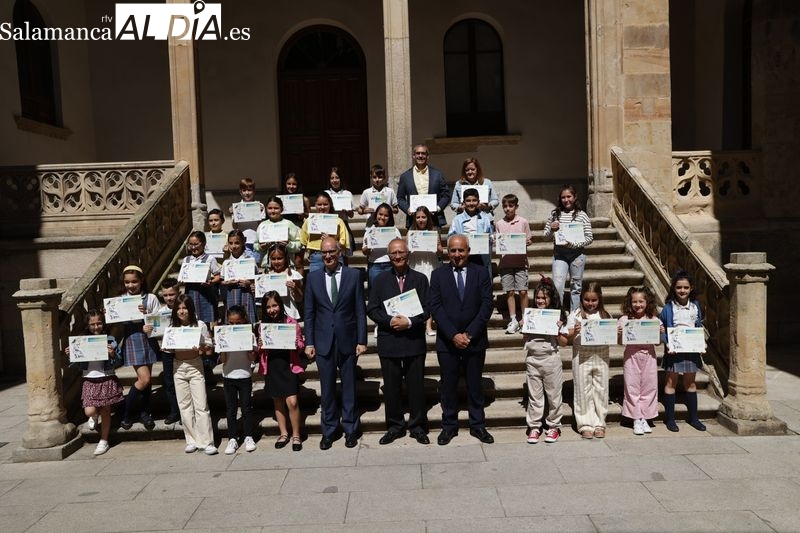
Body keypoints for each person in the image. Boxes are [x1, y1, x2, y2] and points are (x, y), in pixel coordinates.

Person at [429, 234, 494, 445]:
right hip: (448, 342)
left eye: (461, 250)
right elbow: (435, 307)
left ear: (468, 250)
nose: (457, 255)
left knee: (475, 385)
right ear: (448, 252)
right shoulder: (438, 275)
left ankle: (478, 425)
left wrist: (469, 334)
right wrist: (453, 335)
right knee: (448, 386)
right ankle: (449, 426)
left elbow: (486, 306)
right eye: (453, 251)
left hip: (474, 340)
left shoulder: (481, 273)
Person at [303, 236, 367, 449]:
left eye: (332, 251)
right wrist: (309, 342)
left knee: (349, 388)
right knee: (327, 389)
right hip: (323, 341)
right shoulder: (312, 278)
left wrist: (362, 339)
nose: (328, 256)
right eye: (324, 252)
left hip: (347, 340)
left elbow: (359, 309)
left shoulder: (353, 275)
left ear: (340, 252)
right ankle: (329, 430)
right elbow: (309, 313)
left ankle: (350, 429)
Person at [366, 238, 431, 445]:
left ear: (408, 253)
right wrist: (390, 320)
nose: (397, 256)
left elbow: (428, 308)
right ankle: (395, 426)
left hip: (413, 340)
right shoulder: (380, 280)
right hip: (390, 339)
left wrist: (410, 322)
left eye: (401, 252)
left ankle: (418, 426)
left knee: (416, 387)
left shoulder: (420, 279)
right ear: (388, 255)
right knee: (392, 388)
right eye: (393, 253)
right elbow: (372, 309)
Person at [66, 310, 124, 455]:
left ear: (103, 323)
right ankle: (94, 416)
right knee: (90, 410)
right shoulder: (81, 340)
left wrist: (112, 354)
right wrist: (70, 354)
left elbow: (118, 361)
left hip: (106, 377)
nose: (96, 327)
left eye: (99, 323)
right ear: (87, 325)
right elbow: (75, 365)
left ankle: (104, 441)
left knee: (106, 411)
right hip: (90, 379)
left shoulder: (110, 339)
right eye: (92, 324)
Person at [168, 294, 217, 454]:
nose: (182, 311)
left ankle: (207, 442)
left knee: (201, 405)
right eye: (179, 308)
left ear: (191, 309)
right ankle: (191, 439)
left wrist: (201, 349)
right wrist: (167, 348)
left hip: (195, 366)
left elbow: (209, 350)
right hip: (178, 366)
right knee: (184, 405)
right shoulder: (172, 327)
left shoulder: (200, 325)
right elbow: (169, 347)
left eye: (185, 308)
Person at [659, 270, 707, 432]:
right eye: (679, 287)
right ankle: (670, 420)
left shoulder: (696, 306)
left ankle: (694, 418)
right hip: (674, 350)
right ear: (674, 288)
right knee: (671, 383)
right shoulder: (667, 308)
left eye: (686, 287)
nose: (682, 290)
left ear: (691, 288)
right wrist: (666, 343)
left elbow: (698, 326)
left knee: (690, 383)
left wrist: (701, 344)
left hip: (691, 351)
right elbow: (662, 329)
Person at [258, 291, 306, 452]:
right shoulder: (262, 326)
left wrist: (296, 343)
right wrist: (259, 344)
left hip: (288, 365)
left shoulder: (291, 322)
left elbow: (301, 345)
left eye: (275, 305)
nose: (272, 310)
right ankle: (284, 433)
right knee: (278, 400)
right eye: (269, 307)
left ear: (280, 305)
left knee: (292, 401)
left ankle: (296, 435)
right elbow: (260, 350)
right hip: (272, 366)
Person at [522, 277, 566, 444]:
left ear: (551, 298)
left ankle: (554, 426)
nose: (540, 300)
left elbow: (563, 342)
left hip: (551, 359)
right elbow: (525, 339)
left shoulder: (558, 316)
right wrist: (524, 328)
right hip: (533, 358)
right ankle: (534, 427)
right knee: (535, 396)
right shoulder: (531, 315)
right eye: (538, 298)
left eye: (544, 298)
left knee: (554, 395)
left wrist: (557, 330)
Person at [565, 281, 611, 439]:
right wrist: (574, 331)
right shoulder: (575, 315)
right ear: (581, 299)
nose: (590, 303)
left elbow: (613, 336)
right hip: (581, 356)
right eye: (587, 300)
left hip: (601, 355)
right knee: (582, 390)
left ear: (599, 299)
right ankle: (585, 424)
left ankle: (600, 423)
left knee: (601, 389)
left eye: (594, 300)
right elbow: (566, 337)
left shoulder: (605, 315)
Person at [118, 265, 160, 431]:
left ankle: (144, 413)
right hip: (133, 338)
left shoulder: (150, 298)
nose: (130, 285)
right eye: (127, 282)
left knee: (147, 381)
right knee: (145, 379)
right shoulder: (121, 298)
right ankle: (126, 412)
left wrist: (146, 314)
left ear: (141, 280)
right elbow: (117, 321)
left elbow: (158, 320)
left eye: (134, 281)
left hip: (148, 338)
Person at [618, 286, 662, 435]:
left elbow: (657, 343)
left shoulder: (653, 319)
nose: (638, 305)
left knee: (649, 386)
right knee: (632, 386)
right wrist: (619, 334)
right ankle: (636, 417)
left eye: (641, 301)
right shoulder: (624, 320)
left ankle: (646, 417)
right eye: (634, 302)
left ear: (647, 302)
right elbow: (620, 342)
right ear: (629, 303)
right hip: (631, 355)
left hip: (649, 355)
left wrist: (660, 333)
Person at [543, 185, 593, 312]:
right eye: (563, 197)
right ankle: (558, 314)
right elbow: (545, 236)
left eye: (569, 196)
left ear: (575, 197)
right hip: (560, 255)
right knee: (558, 285)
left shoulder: (582, 215)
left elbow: (589, 238)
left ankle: (574, 315)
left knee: (576, 287)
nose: (566, 200)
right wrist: (552, 230)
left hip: (577, 256)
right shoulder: (555, 214)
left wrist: (572, 244)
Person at [181, 231, 222, 384]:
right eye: (191, 244)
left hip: (206, 295)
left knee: (207, 329)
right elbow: (182, 278)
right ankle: (196, 363)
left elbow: (218, 275)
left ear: (203, 244)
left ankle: (208, 364)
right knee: (194, 328)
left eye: (196, 244)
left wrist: (211, 281)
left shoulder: (210, 258)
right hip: (191, 296)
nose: (193, 247)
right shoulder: (186, 259)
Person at [219, 305, 257, 455]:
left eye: (238, 323)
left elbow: (252, 357)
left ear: (244, 321)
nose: (234, 326)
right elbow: (223, 360)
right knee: (231, 409)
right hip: (229, 376)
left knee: (246, 408)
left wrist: (249, 346)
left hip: (244, 375)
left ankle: (248, 436)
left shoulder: (250, 335)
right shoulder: (224, 334)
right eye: (231, 323)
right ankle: (232, 438)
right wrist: (222, 347)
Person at [495, 193, 533, 334]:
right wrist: (496, 244)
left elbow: (529, 239)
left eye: (511, 206)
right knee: (510, 292)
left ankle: (524, 319)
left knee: (523, 291)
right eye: (505, 206)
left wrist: (527, 242)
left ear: (516, 206)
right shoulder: (499, 224)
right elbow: (498, 243)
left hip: (521, 262)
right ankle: (513, 319)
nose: (507, 209)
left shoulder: (523, 222)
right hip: (505, 263)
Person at [406, 206, 444, 336]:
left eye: (423, 217)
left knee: (430, 296)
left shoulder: (434, 231)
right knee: (416, 296)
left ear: (428, 218)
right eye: (418, 217)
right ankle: (416, 323)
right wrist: (409, 249)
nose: (421, 220)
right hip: (415, 264)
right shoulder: (410, 231)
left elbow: (441, 252)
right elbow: (406, 252)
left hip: (430, 264)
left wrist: (437, 246)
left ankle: (428, 325)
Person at [397, 144, 450, 228]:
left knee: (435, 242)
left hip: (434, 220)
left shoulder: (437, 174)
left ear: (427, 156)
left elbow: (446, 195)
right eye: (418, 153)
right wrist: (408, 209)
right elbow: (400, 198)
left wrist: (438, 208)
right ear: (414, 156)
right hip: (413, 220)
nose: (420, 156)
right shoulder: (405, 176)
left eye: (423, 153)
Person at [299, 192, 350, 272]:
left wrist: (331, 240)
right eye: (319, 204)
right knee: (317, 283)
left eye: (325, 204)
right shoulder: (309, 221)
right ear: (315, 205)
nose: (322, 207)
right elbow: (303, 242)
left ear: (330, 205)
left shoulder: (338, 221)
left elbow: (343, 243)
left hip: (335, 256)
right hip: (316, 257)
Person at [448, 188, 494, 271]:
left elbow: (490, 236)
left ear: (478, 202)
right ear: (463, 203)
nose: (471, 203)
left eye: (474, 200)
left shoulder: (485, 218)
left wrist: (489, 239)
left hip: (480, 256)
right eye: (468, 201)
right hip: (463, 256)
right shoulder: (457, 219)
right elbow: (450, 237)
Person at [155, 278, 181, 425]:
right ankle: (174, 411)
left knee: (184, 382)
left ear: (178, 293)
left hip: (184, 352)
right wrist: (148, 330)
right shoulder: (160, 312)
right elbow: (155, 331)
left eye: (172, 294)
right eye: (165, 295)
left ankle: (186, 412)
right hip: (167, 352)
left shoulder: (184, 309)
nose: (169, 298)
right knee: (170, 383)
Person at [255, 196, 303, 272]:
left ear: (282, 209)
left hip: (287, 266)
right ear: (266, 209)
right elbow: (255, 245)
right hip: (268, 266)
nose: (273, 211)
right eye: (270, 208)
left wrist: (289, 244)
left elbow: (299, 245)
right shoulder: (262, 225)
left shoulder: (289, 224)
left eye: (276, 208)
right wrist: (261, 247)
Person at [220, 229, 258, 324]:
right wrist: (227, 282)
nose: (234, 246)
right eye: (231, 243)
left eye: (237, 243)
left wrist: (249, 283)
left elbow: (256, 280)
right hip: (232, 292)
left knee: (247, 316)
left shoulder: (250, 260)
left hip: (246, 292)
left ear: (243, 242)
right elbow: (221, 280)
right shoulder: (226, 262)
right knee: (232, 317)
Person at [361, 202, 402, 289]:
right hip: (375, 265)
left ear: (390, 217)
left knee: (391, 290)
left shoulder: (394, 231)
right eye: (380, 214)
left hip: (391, 264)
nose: (382, 217)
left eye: (386, 215)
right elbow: (364, 252)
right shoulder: (370, 231)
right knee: (375, 291)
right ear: (376, 215)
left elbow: (400, 248)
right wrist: (368, 246)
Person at [230, 177, 266, 265]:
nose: (247, 193)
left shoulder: (260, 205)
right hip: (244, 241)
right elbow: (235, 226)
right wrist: (233, 213)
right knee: (248, 265)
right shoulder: (237, 207)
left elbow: (262, 225)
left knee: (257, 263)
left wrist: (259, 211)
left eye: (250, 190)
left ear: (254, 191)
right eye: (244, 190)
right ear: (240, 192)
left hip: (257, 240)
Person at [264, 244, 304, 320]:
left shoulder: (293, 275)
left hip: (289, 314)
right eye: (273, 259)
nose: (276, 261)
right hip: (271, 314)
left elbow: (300, 298)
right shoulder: (266, 276)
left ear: (286, 258)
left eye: (279, 258)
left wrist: (295, 288)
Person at [325, 166, 356, 257]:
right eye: (332, 178)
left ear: (341, 179)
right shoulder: (326, 193)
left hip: (344, 225)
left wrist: (347, 211)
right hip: (329, 226)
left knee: (344, 255)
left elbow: (351, 215)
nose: (334, 180)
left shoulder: (347, 194)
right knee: (330, 252)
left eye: (337, 177)